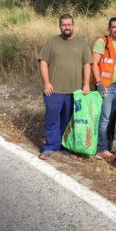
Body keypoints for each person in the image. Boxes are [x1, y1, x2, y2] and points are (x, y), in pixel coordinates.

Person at [38, 14, 92, 159]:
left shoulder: (82, 43)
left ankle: (63, 146)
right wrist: (46, 83)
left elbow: (87, 64)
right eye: (64, 25)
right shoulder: (52, 42)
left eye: (69, 24)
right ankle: (50, 147)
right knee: (52, 119)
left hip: (74, 92)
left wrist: (86, 84)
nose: (67, 27)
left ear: (73, 25)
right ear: (60, 26)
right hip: (54, 90)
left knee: (68, 121)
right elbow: (43, 62)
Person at [92, 16, 116, 160]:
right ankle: (101, 149)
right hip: (106, 87)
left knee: (114, 118)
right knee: (104, 118)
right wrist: (99, 82)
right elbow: (94, 63)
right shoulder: (102, 41)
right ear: (109, 29)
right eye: (114, 27)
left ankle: (109, 145)